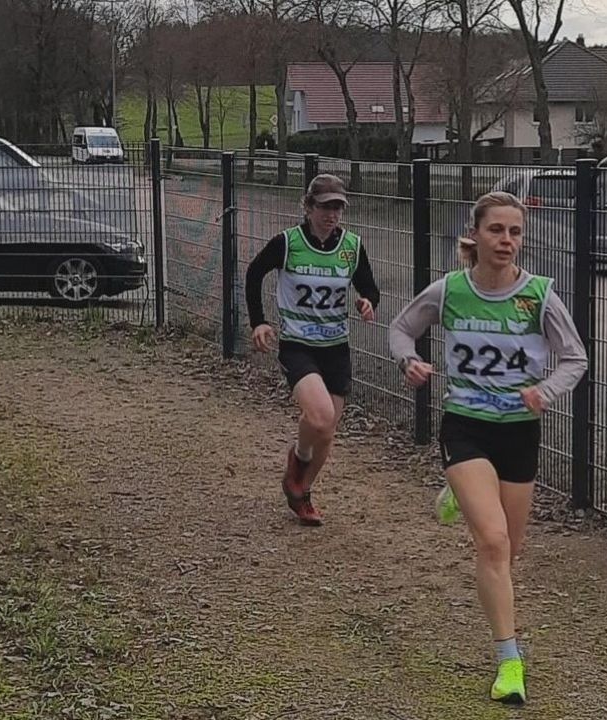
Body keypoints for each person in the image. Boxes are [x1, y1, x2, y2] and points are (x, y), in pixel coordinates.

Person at [387, 191, 588, 705]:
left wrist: (544, 390)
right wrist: (409, 361)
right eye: (496, 230)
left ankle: (458, 496)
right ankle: (509, 662)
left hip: (518, 431)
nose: (506, 240)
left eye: (515, 232)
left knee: (511, 549)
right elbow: (402, 329)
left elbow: (575, 359)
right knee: (493, 543)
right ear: (474, 235)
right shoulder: (450, 290)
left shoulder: (539, 295)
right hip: (466, 427)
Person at [245, 173, 381, 526]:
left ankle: (302, 490)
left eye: (337, 208)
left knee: (327, 430)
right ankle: (298, 460)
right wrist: (258, 321)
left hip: (336, 346)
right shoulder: (288, 243)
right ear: (308, 207)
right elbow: (254, 273)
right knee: (319, 416)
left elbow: (368, 286)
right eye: (324, 207)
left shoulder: (351, 245)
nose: (331, 214)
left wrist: (367, 302)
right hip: (298, 344)